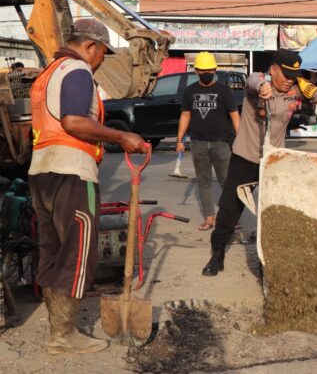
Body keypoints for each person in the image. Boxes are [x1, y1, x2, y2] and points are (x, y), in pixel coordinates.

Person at [29, 19, 149, 354]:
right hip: (72, 173)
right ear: (90, 46)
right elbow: (74, 121)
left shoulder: (49, 72)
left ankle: (58, 332)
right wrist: (121, 135)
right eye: (101, 55)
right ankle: (64, 337)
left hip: (43, 173)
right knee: (78, 254)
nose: (100, 61)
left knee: (54, 252)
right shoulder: (78, 70)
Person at [202, 49, 317, 276]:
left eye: (293, 75)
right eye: (285, 74)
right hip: (246, 157)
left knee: (272, 212)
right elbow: (254, 80)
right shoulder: (259, 82)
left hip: (274, 161)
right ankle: (217, 254)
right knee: (229, 209)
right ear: (273, 69)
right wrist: (263, 86)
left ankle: (267, 261)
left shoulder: (297, 87)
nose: (289, 80)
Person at [176, 52, 240, 231]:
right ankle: (209, 218)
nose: (206, 72)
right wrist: (179, 139)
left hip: (222, 143)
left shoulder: (224, 91)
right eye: (202, 70)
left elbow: (235, 116)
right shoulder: (190, 91)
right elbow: (185, 115)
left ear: (215, 70)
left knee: (226, 182)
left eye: (209, 70)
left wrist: (240, 140)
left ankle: (231, 218)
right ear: (196, 71)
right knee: (203, 182)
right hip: (198, 143)